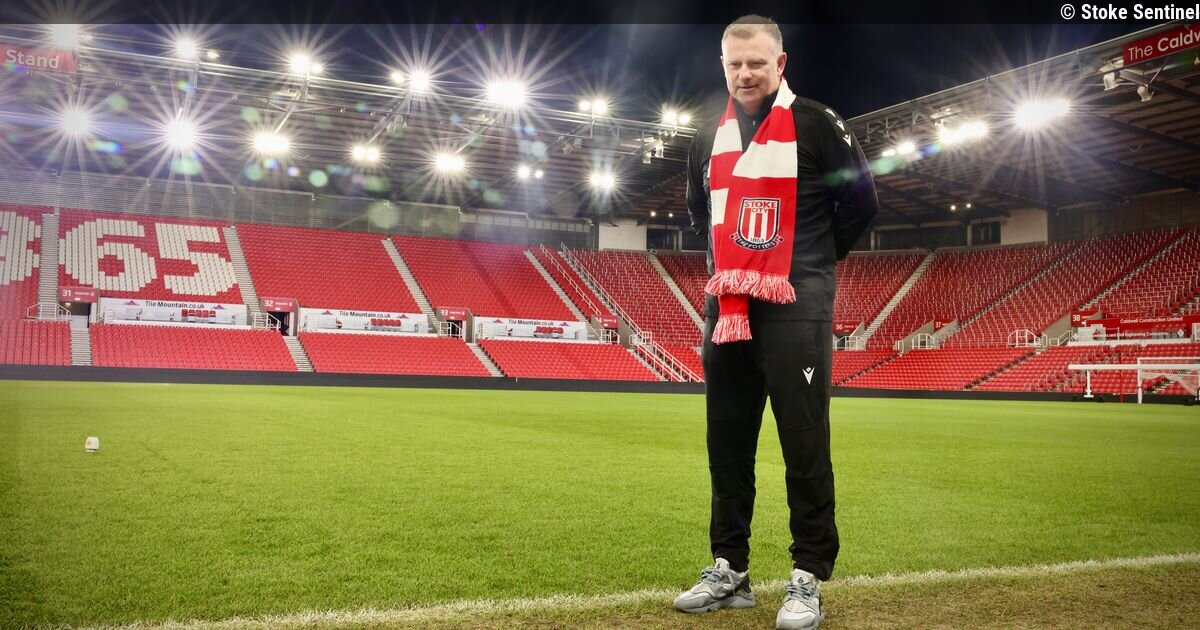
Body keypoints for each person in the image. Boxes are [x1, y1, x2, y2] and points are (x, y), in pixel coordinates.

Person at [673, 16, 878, 630]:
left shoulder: (816, 123)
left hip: (797, 306)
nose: (745, 73)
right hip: (728, 307)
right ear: (723, 65)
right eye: (734, 63)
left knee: (804, 443)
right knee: (727, 443)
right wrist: (739, 267)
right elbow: (698, 209)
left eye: (757, 62)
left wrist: (809, 261)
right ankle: (729, 569)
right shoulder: (707, 135)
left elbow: (861, 202)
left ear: (780, 64)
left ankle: (807, 575)